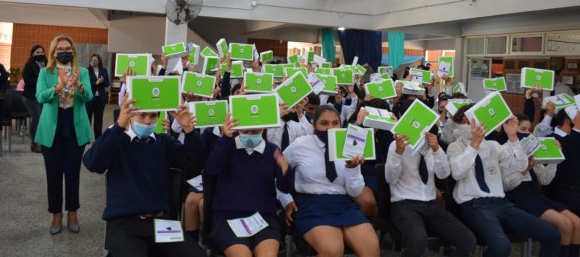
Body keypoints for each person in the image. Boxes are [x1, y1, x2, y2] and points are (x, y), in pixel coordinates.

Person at [83, 96, 206, 257]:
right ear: (131, 116)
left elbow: (195, 163)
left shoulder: (163, 142)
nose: (148, 121)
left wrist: (189, 130)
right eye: (142, 115)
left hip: (161, 222)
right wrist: (119, 126)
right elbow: (92, 163)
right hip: (125, 222)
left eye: (153, 116)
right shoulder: (117, 141)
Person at [447, 105, 561, 257]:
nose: (481, 123)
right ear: (464, 120)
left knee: (552, 235)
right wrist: (474, 144)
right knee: (501, 246)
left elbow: (520, 165)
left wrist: (513, 137)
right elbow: (457, 172)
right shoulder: (455, 147)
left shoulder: (493, 145)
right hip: (475, 205)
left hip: (501, 203)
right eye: (475, 119)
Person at [279, 105, 380, 257]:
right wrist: (286, 199)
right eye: (324, 123)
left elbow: (355, 191)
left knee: (371, 251)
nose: (330, 128)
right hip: (311, 204)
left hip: (343, 203)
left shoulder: (349, 144)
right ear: (314, 125)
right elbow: (277, 173)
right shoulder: (300, 144)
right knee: (332, 251)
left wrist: (352, 168)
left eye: (335, 123)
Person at [204, 115, 294, 256]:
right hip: (228, 217)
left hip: (263, 218)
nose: (250, 136)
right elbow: (211, 169)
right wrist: (225, 139)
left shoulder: (272, 150)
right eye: (245, 131)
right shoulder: (228, 146)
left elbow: (285, 188)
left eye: (255, 131)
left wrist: (285, 170)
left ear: (263, 129)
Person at [35, 35, 93, 235]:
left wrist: (78, 86)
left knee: (72, 172)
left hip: (75, 126)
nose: (63, 52)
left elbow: (89, 97)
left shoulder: (82, 72)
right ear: (53, 52)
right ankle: (56, 215)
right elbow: (40, 96)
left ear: (73, 51)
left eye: (67, 48)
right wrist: (57, 87)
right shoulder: (45, 72)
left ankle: (72, 212)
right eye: (59, 49)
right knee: (53, 173)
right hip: (52, 127)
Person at [386, 130, 476, 257]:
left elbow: (443, 174)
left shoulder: (430, 144)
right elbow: (390, 179)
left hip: (430, 204)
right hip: (404, 204)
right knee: (418, 240)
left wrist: (436, 149)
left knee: (467, 239)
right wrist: (398, 153)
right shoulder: (395, 145)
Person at [503, 115, 580, 257]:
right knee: (566, 225)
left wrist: (554, 157)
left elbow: (544, 180)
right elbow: (506, 184)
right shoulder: (504, 150)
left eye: (529, 130)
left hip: (536, 195)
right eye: (522, 129)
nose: (526, 133)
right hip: (520, 198)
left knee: (577, 223)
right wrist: (525, 168)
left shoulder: (532, 148)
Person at [550, 109, 580, 217]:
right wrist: (576, 130)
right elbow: (568, 151)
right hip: (564, 191)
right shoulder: (551, 138)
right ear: (568, 121)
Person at [22, 45, 47, 153]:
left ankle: (41, 141)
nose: (40, 54)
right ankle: (35, 143)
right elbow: (27, 80)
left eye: (41, 52)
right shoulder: (29, 65)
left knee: (42, 119)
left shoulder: (47, 64)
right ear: (32, 54)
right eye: (37, 52)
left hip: (43, 96)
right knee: (37, 117)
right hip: (31, 96)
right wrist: (41, 79)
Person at [86, 53, 110, 139]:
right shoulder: (87, 71)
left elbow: (107, 83)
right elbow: (86, 84)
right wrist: (96, 82)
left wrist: (101, 81)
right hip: (89, 98)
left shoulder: (104, 70)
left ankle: (98, 138)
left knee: (98, 119)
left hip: (100, 98)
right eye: (92, 60)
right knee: (87, 118)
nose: (93, 61)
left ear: (99, 61)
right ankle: (87, 137)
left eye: (95, 60)